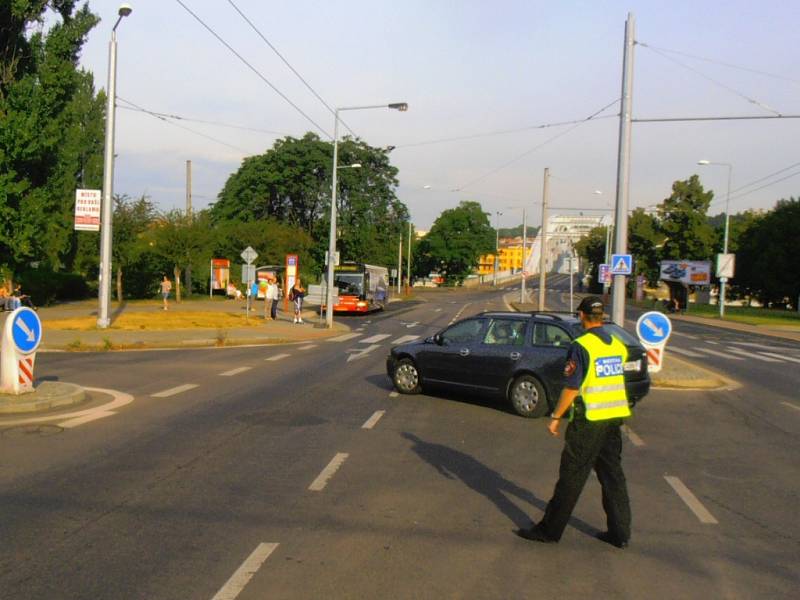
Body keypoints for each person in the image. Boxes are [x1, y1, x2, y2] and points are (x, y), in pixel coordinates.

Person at [517, 295, 632, 549]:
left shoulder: (581, 346)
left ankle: (549, 531)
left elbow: (572, 387)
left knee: (571, 476)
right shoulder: (618, 344)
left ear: (581, 316)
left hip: (589, 420)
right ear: (601, 317)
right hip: (614, 419)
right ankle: (620, 532)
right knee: (613, 476)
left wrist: (556, 417)